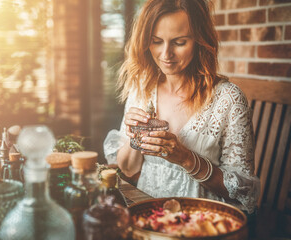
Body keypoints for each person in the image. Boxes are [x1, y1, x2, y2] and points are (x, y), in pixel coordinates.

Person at [103, 0, 260, 215]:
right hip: (148, 217)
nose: (166, 54)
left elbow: (243, 194)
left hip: (202, 222)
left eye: (179, 42)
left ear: (200, 40)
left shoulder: (228, 99)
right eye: (156, 41)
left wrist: (186, 158)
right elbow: (128, 169)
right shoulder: (142, 89)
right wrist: (133, 137)